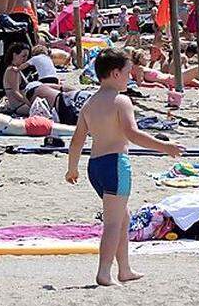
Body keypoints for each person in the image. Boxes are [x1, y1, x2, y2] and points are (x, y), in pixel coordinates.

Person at [64, 48, 184, 287]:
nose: (131, 77)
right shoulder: (121, 100)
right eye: (129, 73)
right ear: (116, 73)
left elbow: (77, 140)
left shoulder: (89, 103)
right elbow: (132, 133)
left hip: (95, 167)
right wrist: (165, 146)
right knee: (112, 222)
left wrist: (72, 168)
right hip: (116, 164)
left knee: (123, 215)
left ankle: (125, 269)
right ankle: (104, 272)